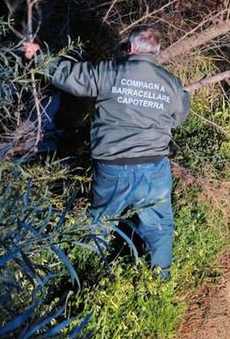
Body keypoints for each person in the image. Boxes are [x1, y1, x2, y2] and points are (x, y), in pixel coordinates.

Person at [23, 26, 191, 280]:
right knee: (159, 226)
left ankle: (89, 278)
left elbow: (70, 77)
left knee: (100, 222)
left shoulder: (109, 73)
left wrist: (38, 57)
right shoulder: (171, 83)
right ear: (155, 51)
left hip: (113, 166)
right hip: (154, 167)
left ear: (131, 48)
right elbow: (178, 118)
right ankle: (160, 281)